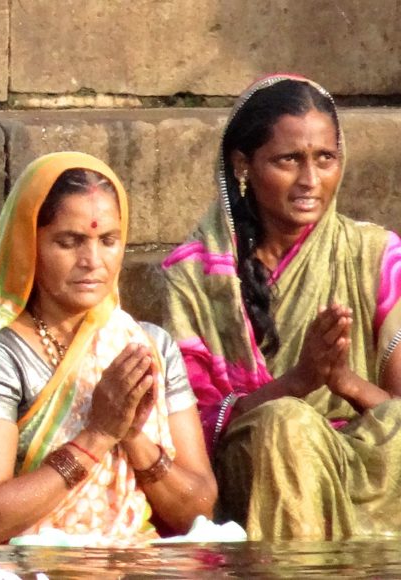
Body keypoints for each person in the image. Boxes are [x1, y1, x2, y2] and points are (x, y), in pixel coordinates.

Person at [0, 152, 215, 547]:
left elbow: (198, 511)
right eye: (69, 241)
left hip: (127, 563)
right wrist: (97, 435)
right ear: (30, 245)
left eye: (108, 240)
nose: (92, 261)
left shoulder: (148, 348)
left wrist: (131, 434)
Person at [163, 74, 401, 540]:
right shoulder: (195, 273)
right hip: (254, 459)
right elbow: (193, 427)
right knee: (287, 423)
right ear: (243, 164)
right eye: (289, 159)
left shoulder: (375, 254)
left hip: (362, 459)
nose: (310, 180)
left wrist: (343, 382)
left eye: (325, 158)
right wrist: (297, 384)